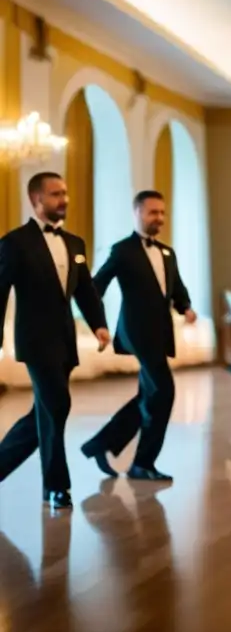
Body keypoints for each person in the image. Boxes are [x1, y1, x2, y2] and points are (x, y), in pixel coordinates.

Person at [0, 172, 110, 509]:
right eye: (55, 194)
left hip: (65, 340)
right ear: (36, 200)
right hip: (34, 340)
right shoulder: (15, 243)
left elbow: (85, 290)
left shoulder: (75, 244)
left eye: (65, 192)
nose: (64, 199)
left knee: (46, 411)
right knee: (57, 405)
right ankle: (56, 486)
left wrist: (99, 325)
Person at [80, 190, 196, 482]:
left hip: (160, 332)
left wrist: (186, 308)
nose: (159, 218)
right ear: (137, 213)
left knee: (150, 395)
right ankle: (142, 463)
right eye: (152, 212)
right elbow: (97, 285)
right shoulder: (122, 250)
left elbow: (176, 287)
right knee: (164, 392)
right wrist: (97, 321)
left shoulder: (167, 252)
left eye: (162, 213)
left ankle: (102, 444)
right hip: (137, 331)